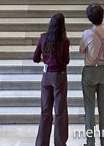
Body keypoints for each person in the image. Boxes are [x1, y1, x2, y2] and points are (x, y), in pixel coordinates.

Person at [79, 3, 104, 146]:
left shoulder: (87, 33)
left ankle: (90, 142)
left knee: (89, 108)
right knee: (103, 108)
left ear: (90, 18)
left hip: (90, 70)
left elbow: (81, 50)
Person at [33, 12, 70, 146]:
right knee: (60, 112)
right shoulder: (64, 41)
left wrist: (46, 60)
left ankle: (41, 143)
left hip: (46, 75)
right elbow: (66, 61)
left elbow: (35, 58)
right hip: (59, 76)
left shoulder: (43, 38)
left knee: (45, 111)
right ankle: (60, 143)